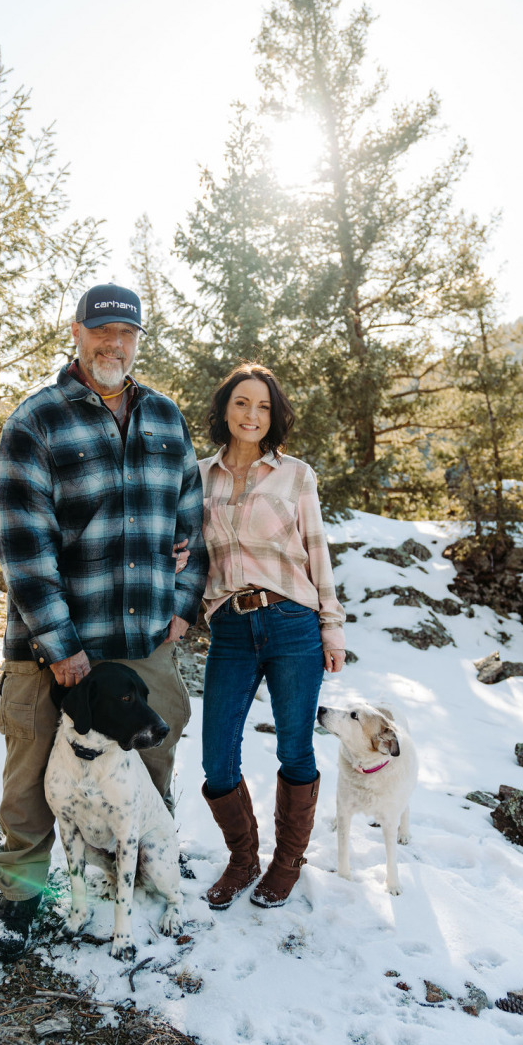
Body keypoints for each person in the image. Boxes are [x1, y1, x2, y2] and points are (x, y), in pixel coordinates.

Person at [0, 283, 208, 962]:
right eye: (102, 331)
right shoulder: (37, 421)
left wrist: (181, 608)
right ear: (77, 333)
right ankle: (21, 896)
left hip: (143, 638)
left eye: (126, 333)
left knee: (154, 750)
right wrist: (60, 646)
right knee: (31, 773)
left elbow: (191, 523)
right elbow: (23, 546)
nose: (115, 344)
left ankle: (142, 857)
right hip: (53, 643)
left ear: (138, 340)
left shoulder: (164, 417)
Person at [198, 363, 345, 910]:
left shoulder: (296, 474)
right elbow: (189, 551)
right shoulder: (199, 476)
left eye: (263, 406)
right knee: (217, 759)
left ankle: (287, 862)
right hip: (231, 627)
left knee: (294, 748)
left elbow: (317, 550)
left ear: (274, 415)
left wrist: (332, 627)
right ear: (224, 409)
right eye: (242, 402)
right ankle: (243, 860)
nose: (252, 414)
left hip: (292, 623)